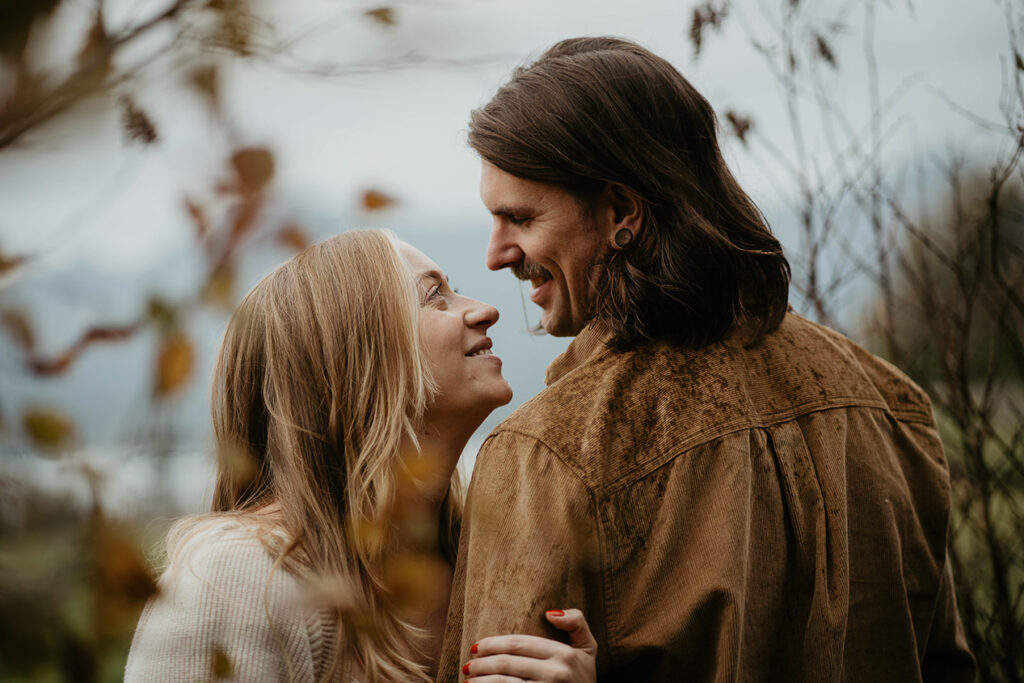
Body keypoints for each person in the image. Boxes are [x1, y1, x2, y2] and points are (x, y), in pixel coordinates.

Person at [439, 37, 976, 681]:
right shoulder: (891, 403)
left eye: (519, 218)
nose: (497, 254)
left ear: (621, 212)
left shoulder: (546, 454)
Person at [124, 230, 597, 682]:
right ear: (353, 354)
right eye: (435, 297)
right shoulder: (235, 582)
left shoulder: (489, 563)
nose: (486, 310)